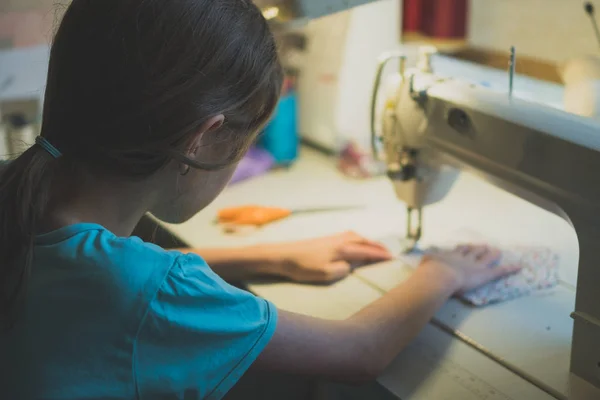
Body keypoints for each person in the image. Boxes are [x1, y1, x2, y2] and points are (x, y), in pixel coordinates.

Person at [0, 1, 520, 399]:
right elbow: (360, 352)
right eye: (246, 143)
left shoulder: (20, 192)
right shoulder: (149, 292)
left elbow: (97, 272)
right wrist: (442, 272)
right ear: (201, 140)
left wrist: (270, 255)